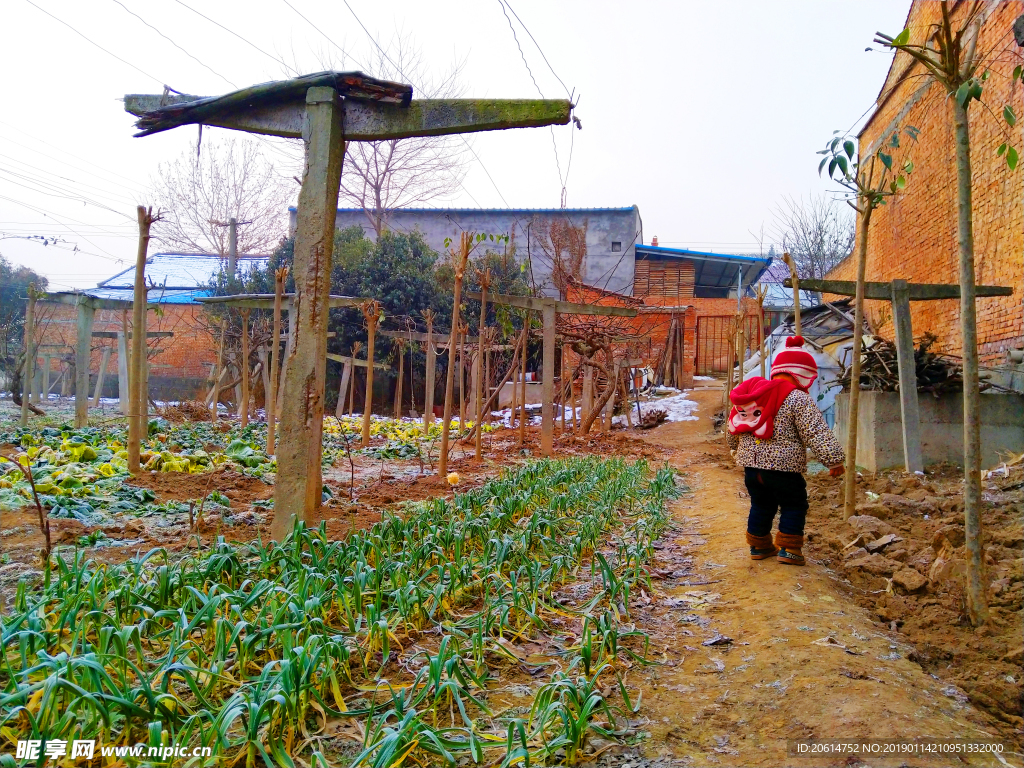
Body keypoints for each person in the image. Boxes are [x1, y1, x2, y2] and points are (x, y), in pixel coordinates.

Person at [726, 336, 845, 566]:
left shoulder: (755, 394)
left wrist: (734, 449)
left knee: (761, 503)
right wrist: (833, 460)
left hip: (752, 468)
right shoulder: (797, 398)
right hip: (784, 469)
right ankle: (790, 549)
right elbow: (815, 431)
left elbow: (735, 423)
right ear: (802, 374)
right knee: (794, 503)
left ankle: (759, 546)